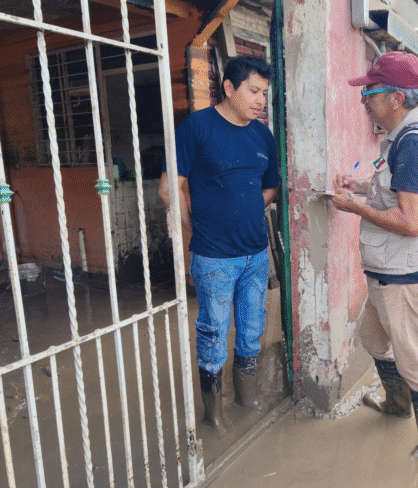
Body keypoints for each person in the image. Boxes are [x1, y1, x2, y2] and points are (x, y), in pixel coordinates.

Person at [331, 51, 418, 459]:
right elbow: (399, 190)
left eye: (370, 91)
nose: (364, 99)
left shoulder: (413, 144)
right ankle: (398, 406)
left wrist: (355, 207)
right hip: (390, 272)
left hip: (405, 277)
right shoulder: (406, 136)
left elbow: (411, 220)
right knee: (373, 338)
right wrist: (362, 187)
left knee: (417, 364)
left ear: (396, 98)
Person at [158, 55, 280, 433]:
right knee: (213, 332)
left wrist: (245, 211)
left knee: (252, 330)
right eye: (254, 91)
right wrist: (192, 230)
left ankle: (246, 398)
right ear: (229, 88)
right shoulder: (196, 127)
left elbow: (270, 187)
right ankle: (212, 415)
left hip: (256, 254)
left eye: (265, 93)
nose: (261, 101)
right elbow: (169, 188)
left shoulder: (262, 135)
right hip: (214, 257)